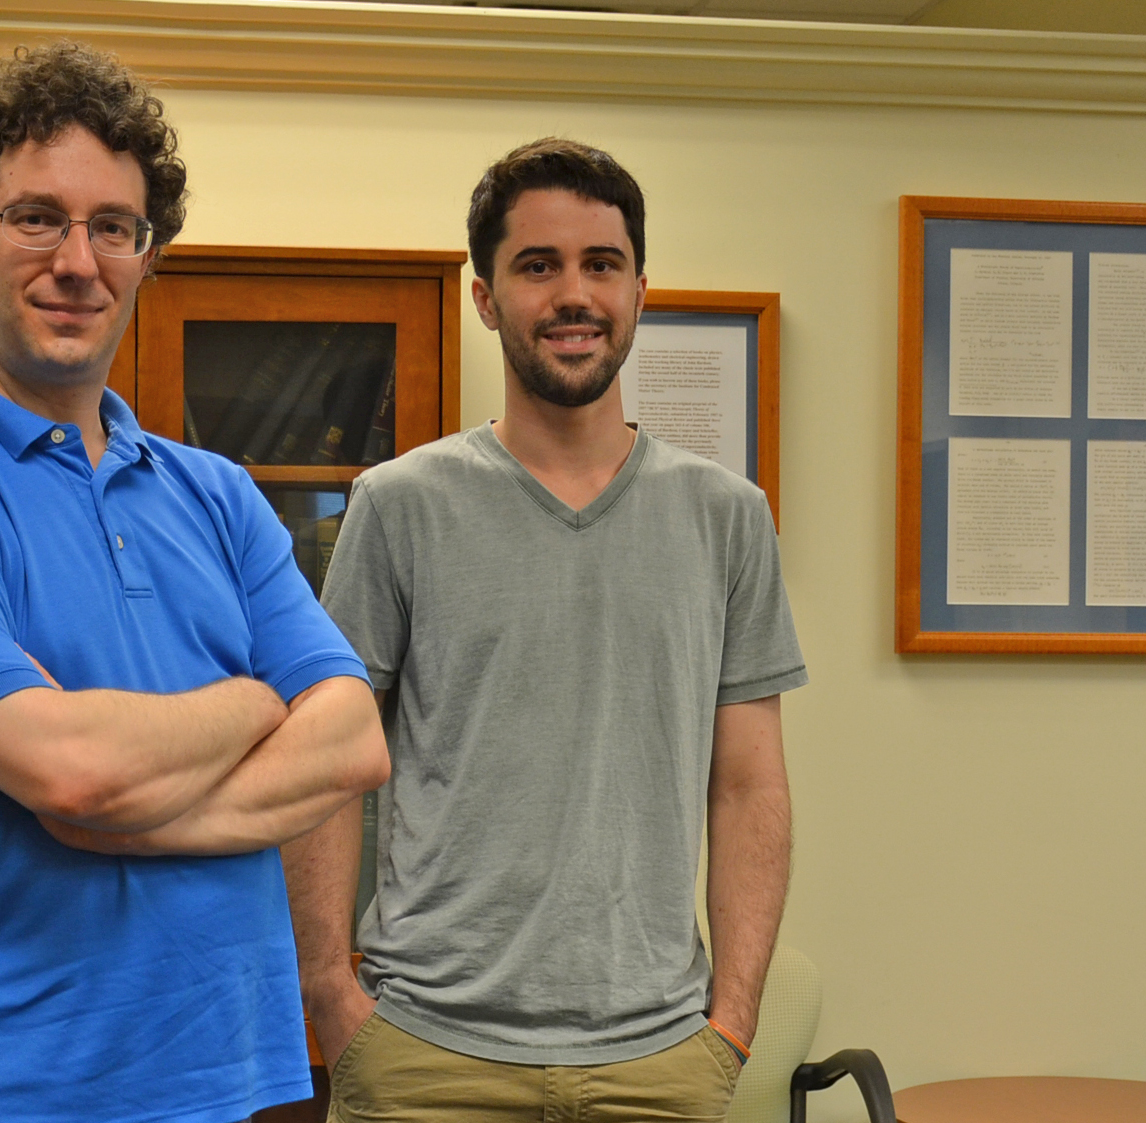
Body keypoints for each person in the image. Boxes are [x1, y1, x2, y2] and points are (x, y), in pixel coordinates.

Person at [0, 42, 389, 1123]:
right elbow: (73, 772)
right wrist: (258, 701)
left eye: (114, 227)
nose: (78, 260)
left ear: (143, 253)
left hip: (228, 1079)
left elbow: (354, 740)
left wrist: (132, 798)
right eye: (38, 216)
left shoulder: (217, 493)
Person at [286, 137, 807, 1122]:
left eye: (601, 265)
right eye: (539, 265)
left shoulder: (727, 517)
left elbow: (749, 785)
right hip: (426, 1059)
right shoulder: (398, 506)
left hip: (659, 1065)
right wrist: (332, 995)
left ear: (640, 291)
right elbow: (325, 766)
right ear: (486, 297)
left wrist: (730, 1023)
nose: (575, 294)